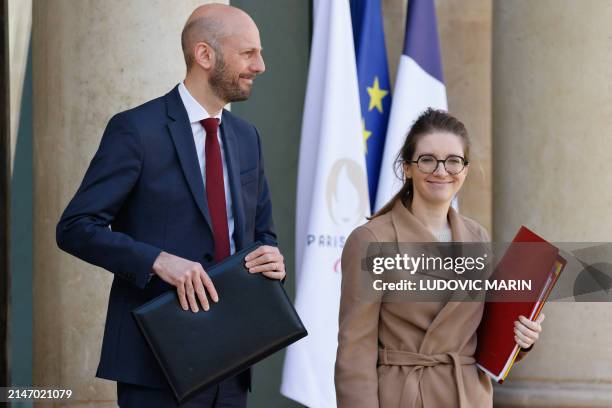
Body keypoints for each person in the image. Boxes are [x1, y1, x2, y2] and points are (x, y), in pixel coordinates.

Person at [56, 4, 285, 407]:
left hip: (233, 361)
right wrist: (157, 260)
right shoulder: (135, 130)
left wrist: (270, 258)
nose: (261, 65)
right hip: (154, 362)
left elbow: (261, 233)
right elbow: (76, 227)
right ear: (204, 55)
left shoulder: (247, 137)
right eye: (248, 53)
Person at [334, 108, 544, 408]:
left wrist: (521, 339)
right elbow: (354, 353)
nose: (441, 170)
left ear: (465, 169)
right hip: (402, 396)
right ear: (407, 167)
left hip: (468, 396)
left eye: (453, 161)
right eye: (428, 159)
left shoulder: (477, 237)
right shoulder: (371, 240)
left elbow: (482, 335)